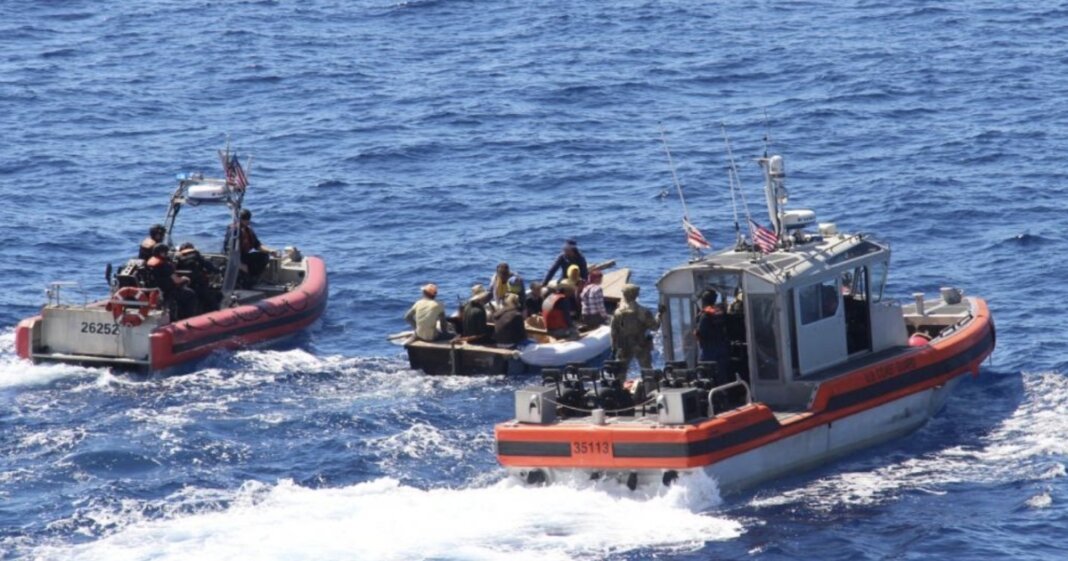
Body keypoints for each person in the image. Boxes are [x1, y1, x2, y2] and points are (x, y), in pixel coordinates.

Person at [610, 284, 660, 371]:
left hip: (623, 346)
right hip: (641, 345)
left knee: (620, 372)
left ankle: (619, 384)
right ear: (636, 295)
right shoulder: (643, 311)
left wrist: (614, 348)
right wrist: (659, 315)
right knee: (647, 371)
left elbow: (614, 332)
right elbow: (655, 327)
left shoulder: (618, 313)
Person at [145, 244, 197, 320]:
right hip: (168, 291)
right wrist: (185, 278)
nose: (166, 254)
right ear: (161, 253)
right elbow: (176, 280)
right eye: (165, 253)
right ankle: (186, 319)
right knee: (190, 294)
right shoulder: (165, 265)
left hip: (156, 289)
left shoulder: (150, 262)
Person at [176, 242, 220, 314]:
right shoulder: (197, 257)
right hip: (198, 286)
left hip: (182, 286)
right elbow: (212, 268)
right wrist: (216, 270)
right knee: (213, 300)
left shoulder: (178, 258)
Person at [695, 290, 730, 377]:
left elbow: (701, 332)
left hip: (708, 351)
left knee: (704, 375)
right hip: (722, 349)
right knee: (722, 376)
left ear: (704, 301)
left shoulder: (705, 315)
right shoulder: (719, 312)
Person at [237, 208, 272, 289]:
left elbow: (257, 245)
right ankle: (245, 282)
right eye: (245, 219)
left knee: (264, 256)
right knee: (242, 266)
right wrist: (239, 264)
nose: (248, 221)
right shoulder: (234, 232)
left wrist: (270, 250)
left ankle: (253, 278)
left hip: (244, 256)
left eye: (248, 219)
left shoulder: (248, 230)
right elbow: (228, 250)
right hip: (235, 258)